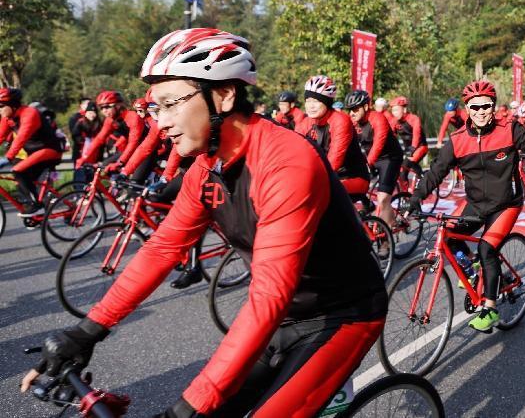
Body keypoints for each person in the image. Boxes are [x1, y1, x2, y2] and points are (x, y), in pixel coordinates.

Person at [21, 27, 387, 418]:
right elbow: (162, 249)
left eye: (170, 104)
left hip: (342, 315)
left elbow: (269, 294)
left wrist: (188, 408)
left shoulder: (285, 162)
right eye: (154, 108)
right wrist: (85, 332)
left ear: (225, 94)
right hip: (281, 319)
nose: (160, 122)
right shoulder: (205, 168)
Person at [408, 80, 525, 332]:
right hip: (476, 204)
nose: (480, 111)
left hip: (506, 204)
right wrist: (415, 198)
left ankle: (489, 308)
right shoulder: (457, 140)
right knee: (451, 236)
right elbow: (435, 172)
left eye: (486, 106)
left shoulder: (508, 129)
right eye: (474, 107)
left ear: (493, 106)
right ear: (466, 108)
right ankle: (473, 270)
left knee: (488, 249)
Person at [295, 75, 370, 197]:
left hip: (351, 177)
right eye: (308, 101)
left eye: (316, 101)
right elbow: (295, 152)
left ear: (327, 103)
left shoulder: (340, 121)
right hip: (327, 177)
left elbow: (334, 160)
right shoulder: (305, 123)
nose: (311, 106)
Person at [0, 88, 64, 216]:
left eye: (1, 106)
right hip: (34, 154)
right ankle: (36, 213)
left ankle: (37, 207)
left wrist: (7, 157)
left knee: (18, 170)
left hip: (49, 150)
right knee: (22, 183)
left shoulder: (29, 113)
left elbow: (21, 137)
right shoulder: (8, 118)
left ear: (12, 104)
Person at [345, 89, 404, 228]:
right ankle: (368, 205)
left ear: (366, 107)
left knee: (383, 199)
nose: (352, 113)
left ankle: (386, 237)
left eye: (355, 109)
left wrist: (368, 163)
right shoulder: (352, 121)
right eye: (349, 110)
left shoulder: (377, 118)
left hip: (390, 158)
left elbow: (378, 143)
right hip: (370, 158)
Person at [77, 90, 146, 173]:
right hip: (131, 150)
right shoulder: (110, 120)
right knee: (104, 166)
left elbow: (133, 143)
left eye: (107, 107)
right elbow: (99, 139)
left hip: (146, 150)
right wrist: (84, 158)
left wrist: (120, 162)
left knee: (133, 180)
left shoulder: (132, 117)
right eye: (101, 108)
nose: (104, 111)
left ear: (118, 105)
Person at [390, 96, 428, 186]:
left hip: (420, 147)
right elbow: (391, 136)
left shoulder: (413, 118)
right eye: (393, 110)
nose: (394, 113)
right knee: (402, 172)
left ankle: (423, 180)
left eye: (396, 110)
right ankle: (405, 195)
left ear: (404, 109)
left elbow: (416, 134)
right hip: (408, 149)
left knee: (407, 164)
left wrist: (413, 147)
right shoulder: (394, 121)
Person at [68, 97, 91, 164]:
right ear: (81, 105)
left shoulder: (93, 117)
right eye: (87, 104)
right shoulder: (75, 118)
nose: (89, 106)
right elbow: (75, 134)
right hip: (80, 149)